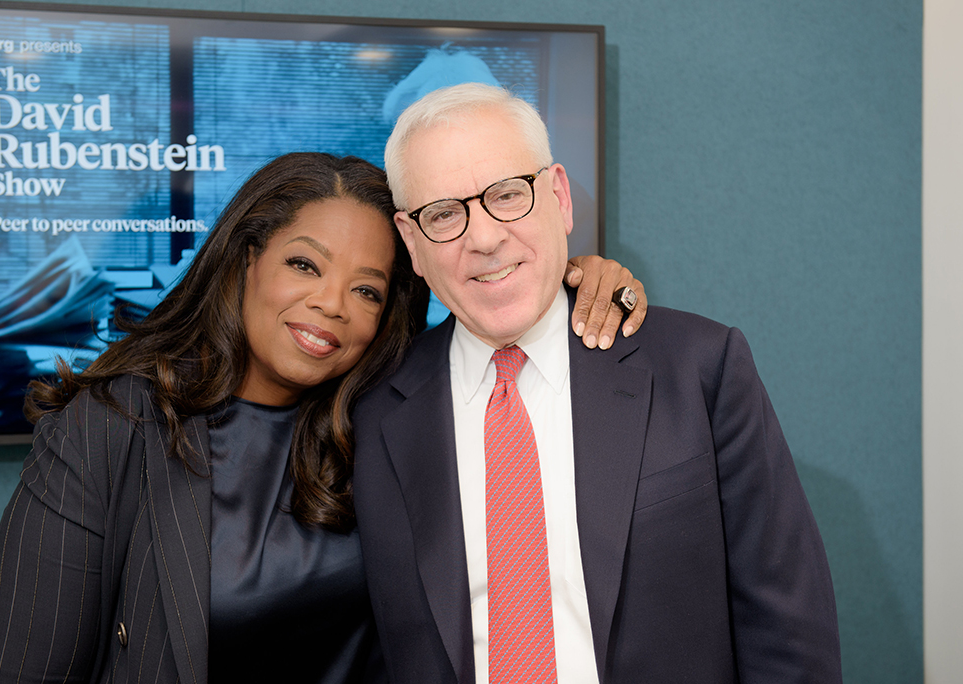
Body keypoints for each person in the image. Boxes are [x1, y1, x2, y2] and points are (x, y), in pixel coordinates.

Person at [0, 152, 646, 684]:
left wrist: (584, 281)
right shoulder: (110, 427)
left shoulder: (392, 421)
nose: (332, 305)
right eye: (305, 265)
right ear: (246, 261)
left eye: (366, 290)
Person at [352, 84, 842, 683]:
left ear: (559, 197)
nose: (483, 238)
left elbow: (788, 631)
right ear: (412, 242)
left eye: (508, 195)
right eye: (445, 214)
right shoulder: (374, 415)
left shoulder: (700, 369)